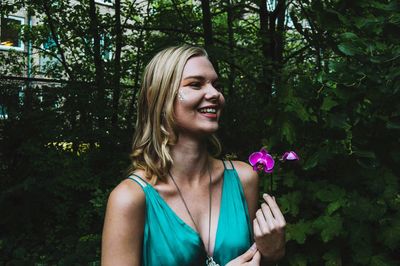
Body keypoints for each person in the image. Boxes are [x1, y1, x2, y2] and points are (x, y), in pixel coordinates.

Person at [101, 45, 286, 265]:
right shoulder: (130, 199)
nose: (214, 94)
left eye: (216, 85)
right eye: (195, 84)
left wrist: (271, 254)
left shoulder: (243, 178)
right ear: (157, 98)